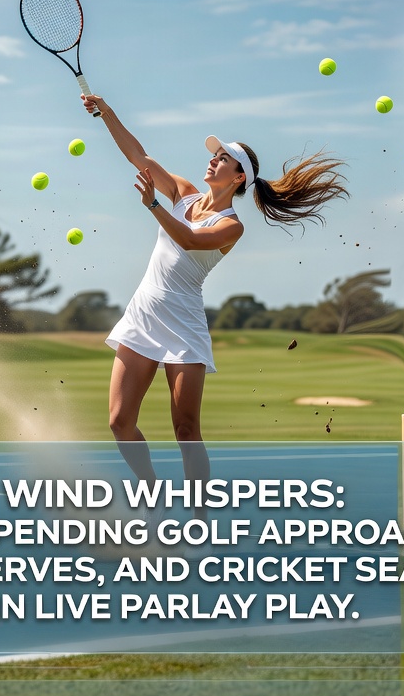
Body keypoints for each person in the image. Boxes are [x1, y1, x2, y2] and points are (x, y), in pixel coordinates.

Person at [81, 94, 348, 522]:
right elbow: (138, 155)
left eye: (223, 158)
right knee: (118, 421)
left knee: (186, 431)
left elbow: (188, 241)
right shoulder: (184, 195)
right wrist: (107, 112)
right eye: (215, 155)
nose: (213, 161)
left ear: (240, 177)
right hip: (143, 315)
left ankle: (199, 523)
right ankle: (151, 495)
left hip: (184, 326)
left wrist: (152, 205)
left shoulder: (231, 226)